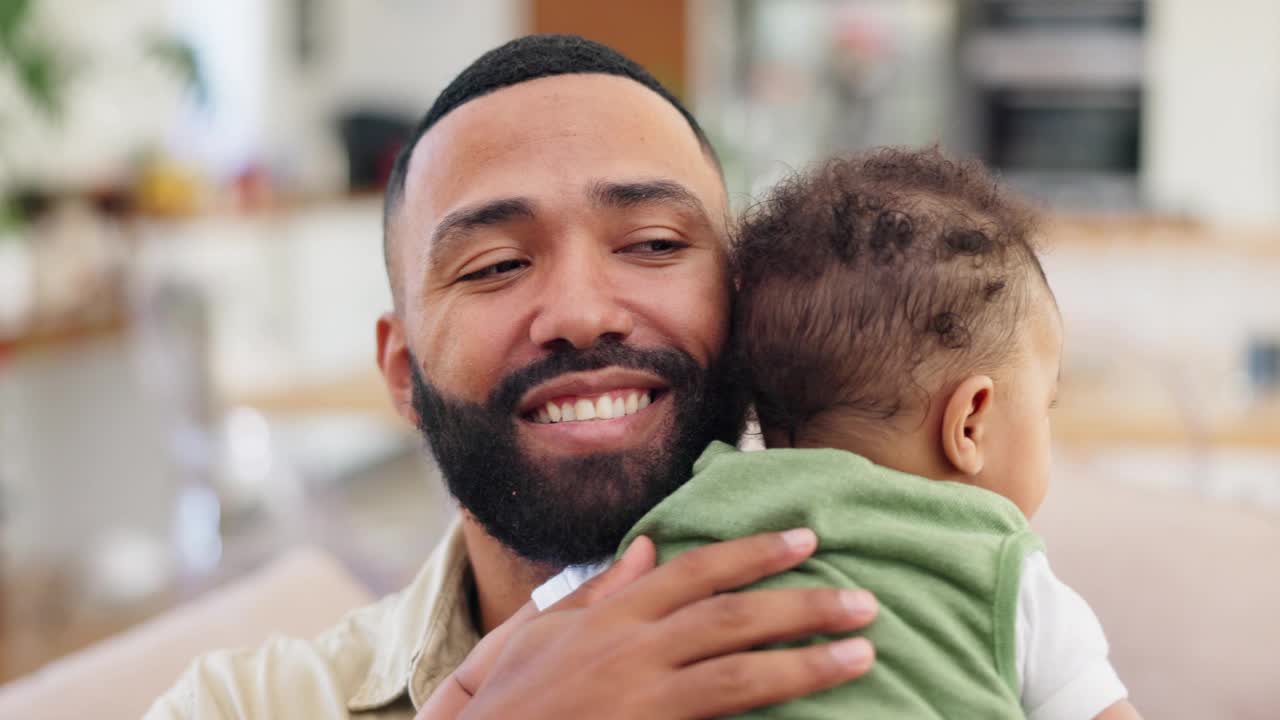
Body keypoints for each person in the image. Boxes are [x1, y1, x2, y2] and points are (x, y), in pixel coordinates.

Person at [147, 34, 880, 720]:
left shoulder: (928, 636)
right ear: (403, 373)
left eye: (654, 243)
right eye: (496, 265)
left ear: (744, 307)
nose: (581, 313)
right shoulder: (240, 705)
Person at [445, 148, 1142, 720]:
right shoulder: (1002, 570)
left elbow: (495, 677)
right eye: (1043, 408)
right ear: (970, 420)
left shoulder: (671, 528)